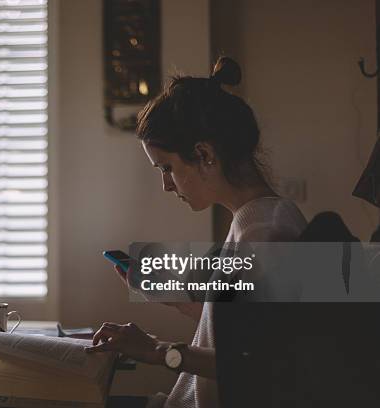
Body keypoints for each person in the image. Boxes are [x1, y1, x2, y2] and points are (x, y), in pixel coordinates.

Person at [85, 57, 308, 408]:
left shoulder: (266, 235)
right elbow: (238, 324)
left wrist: (154, 350)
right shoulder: (258, 220)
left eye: (168, 168)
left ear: (204, 154)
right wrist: (168, 292)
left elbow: (261, 364)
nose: (165, 185)